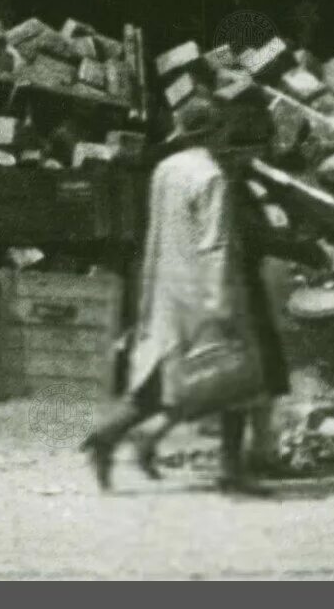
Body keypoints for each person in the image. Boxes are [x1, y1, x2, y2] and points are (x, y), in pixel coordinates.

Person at [80, 97, 280, 496]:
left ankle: (107, 437)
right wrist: (220, 301)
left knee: (167, 381)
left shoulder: (165, 169)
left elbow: (154, 234)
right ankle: (230, 470)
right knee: (235, 377)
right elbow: (215, 244)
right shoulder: (211, 176)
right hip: (206, 289)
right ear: (216, 131)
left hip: (168, 288)